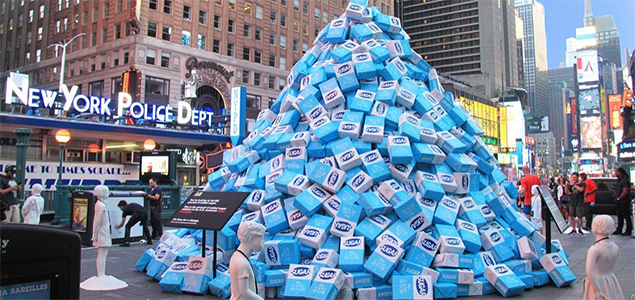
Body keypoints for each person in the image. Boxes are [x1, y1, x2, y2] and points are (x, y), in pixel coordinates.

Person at [583, 215, 625, 300]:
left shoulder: (594, 249)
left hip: (596, 282)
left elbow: (589, 272)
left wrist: (598, 290)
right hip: (611, 281)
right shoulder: (615, 247)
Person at [230, 221, 266, 300]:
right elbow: (244, 291)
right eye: (261, 239)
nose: (263, 242)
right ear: (251, 239)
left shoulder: (237, 256)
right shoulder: (242, 263)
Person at [613, 167, 633, 236]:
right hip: (619, 201)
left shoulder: (624, 180)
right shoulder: (619, 180)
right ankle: (619, 228)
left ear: (620, 172)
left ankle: (628, 229)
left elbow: (625, 191)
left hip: (624, 201)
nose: (615, 173)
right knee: (619, 216)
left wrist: (619, 198)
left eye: (616, 172)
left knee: (626, 215)